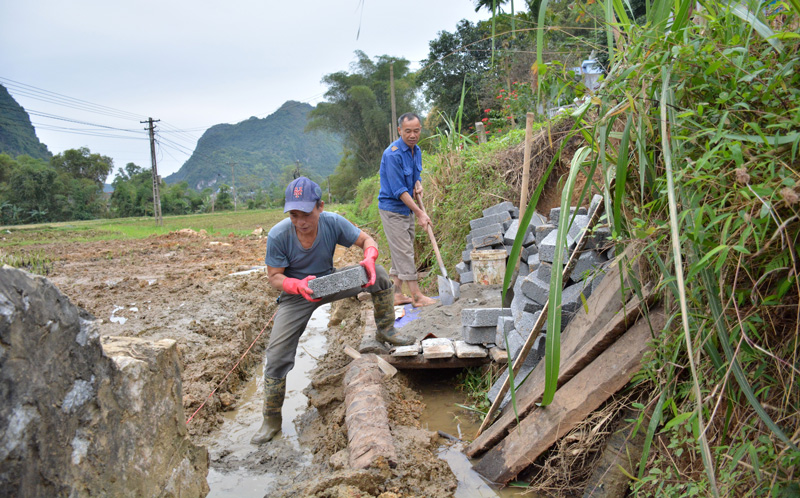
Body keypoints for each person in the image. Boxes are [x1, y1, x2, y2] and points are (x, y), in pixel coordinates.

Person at [251, 176, 413, 445]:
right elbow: (274, 277)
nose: (300, 221)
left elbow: (367, 240)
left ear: (320, 207)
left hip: (330, 282)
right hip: (297, 295)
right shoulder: (279, 235)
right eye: (294, 214)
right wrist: (296, 284)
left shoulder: (332, 222)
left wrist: (370, 257)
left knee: (381, 276)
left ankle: (386, 331)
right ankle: (271, 421)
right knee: (277, 355)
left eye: (306, 214)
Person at [378, 112, 437, 307]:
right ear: (399, 131)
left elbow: (413, 177)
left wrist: (417, 183)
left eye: (416, 131)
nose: (412, 135)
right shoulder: (392, 154)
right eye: (408, 131)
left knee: (401, 250)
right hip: (392, 209)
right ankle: (417, 296)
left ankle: (395, 294)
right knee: (404, 252)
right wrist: (420, 212)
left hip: (406, 210)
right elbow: (399, 190)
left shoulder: (416, 150)